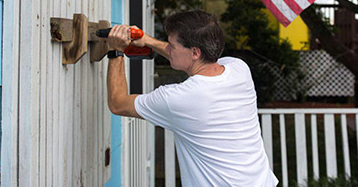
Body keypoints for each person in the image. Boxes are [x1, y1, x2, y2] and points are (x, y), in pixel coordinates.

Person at [106, 10, 278, 187]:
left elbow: (118, 104)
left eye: (172, 46)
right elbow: (187, 59)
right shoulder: (239, 69)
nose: (169, 49)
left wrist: (116, 50)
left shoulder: (180, 98)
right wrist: (147, 41)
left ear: (195, 52)